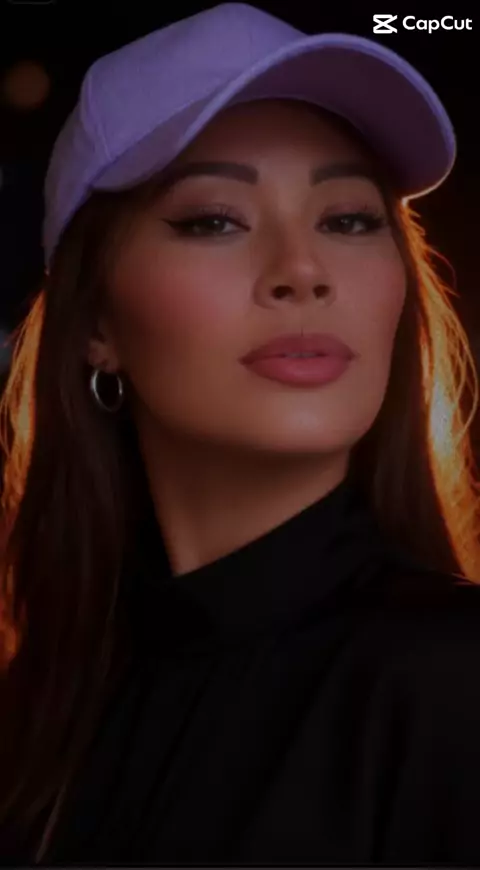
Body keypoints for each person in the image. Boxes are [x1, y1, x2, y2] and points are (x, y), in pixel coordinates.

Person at [1, 2, 480, 864]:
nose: (303, 270)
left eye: (348, 218)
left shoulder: (451, 678)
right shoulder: (41, 723)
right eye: (214, 220)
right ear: (96, 322)